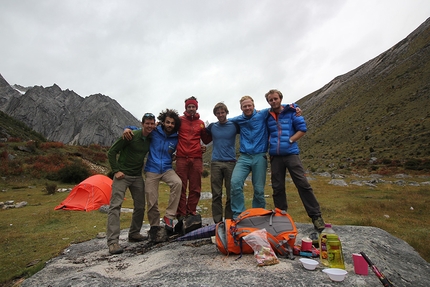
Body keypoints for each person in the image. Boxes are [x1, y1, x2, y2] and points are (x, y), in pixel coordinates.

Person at [265, 89, 325, 232]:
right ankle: (281, 217)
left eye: (275, 99)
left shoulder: (292, 112)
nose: (273, 101)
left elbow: (302, 129)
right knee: (277, 187)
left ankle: (316, 216)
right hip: (275, 156)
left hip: (291, 154)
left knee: (303, 184)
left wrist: (290, 140)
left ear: (280, 98)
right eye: (270, 100)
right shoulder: (267, 116)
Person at [106, 113, 155, 254]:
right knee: (115, 206)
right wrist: (116, 170)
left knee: (140, 206)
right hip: (122, 175)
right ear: (142, 123)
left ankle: (134, 233)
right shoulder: (130, 135)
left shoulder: (151, 137)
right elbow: (111, 152)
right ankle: (113, 242)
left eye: (152, 123)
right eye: (147, 123)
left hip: (137, 176)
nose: (150, 126)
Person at [228, 96, 271, 219]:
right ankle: (238, 214)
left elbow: (279, 107)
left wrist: (295, 107)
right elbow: (225, 120)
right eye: (244, 106)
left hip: (260, 156)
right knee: (235, 182)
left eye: (249, 105)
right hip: (244, 156)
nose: (247, 108)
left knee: (259, 190)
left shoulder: (262, 114)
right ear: (241, 108)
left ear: (253, 105)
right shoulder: (238, 119)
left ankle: (258, 214)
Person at [144, 109, 182, 241]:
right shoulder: (154, 132)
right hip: (152, 169)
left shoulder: (176, 137)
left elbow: (183, 147)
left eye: (172, 123)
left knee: (177, 183)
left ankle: (169, 217)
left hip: (166, 168)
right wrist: (127, 129)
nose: (170, 125)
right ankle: (154, 226)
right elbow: (137, 129)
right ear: (163, 122)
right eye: (167, 122)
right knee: (151, 198)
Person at [175, 96, 212, 223]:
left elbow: (206, 140)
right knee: (181, 186)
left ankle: (191, 211)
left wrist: (215, 129)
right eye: (189, 107)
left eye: (193, 107)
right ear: (186, 108)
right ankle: (181, 213)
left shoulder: (201, 123)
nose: (191, 109)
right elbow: (169, 131)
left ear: (196, 108)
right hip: (181, 158)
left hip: (196, 158)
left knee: (195, 187)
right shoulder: (179, 121)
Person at [206, 102, 239, 223]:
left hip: (230, 162)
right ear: (215, 114)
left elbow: (248, 129)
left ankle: (229, 221)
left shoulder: (234, 125)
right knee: (216, 194)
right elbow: (202, 135)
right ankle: (218, 222)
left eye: (222, 112)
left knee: (231, 193)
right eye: (218, 113)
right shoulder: (212, 127)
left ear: (226, 112)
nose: (220, 115)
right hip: (216, 163)